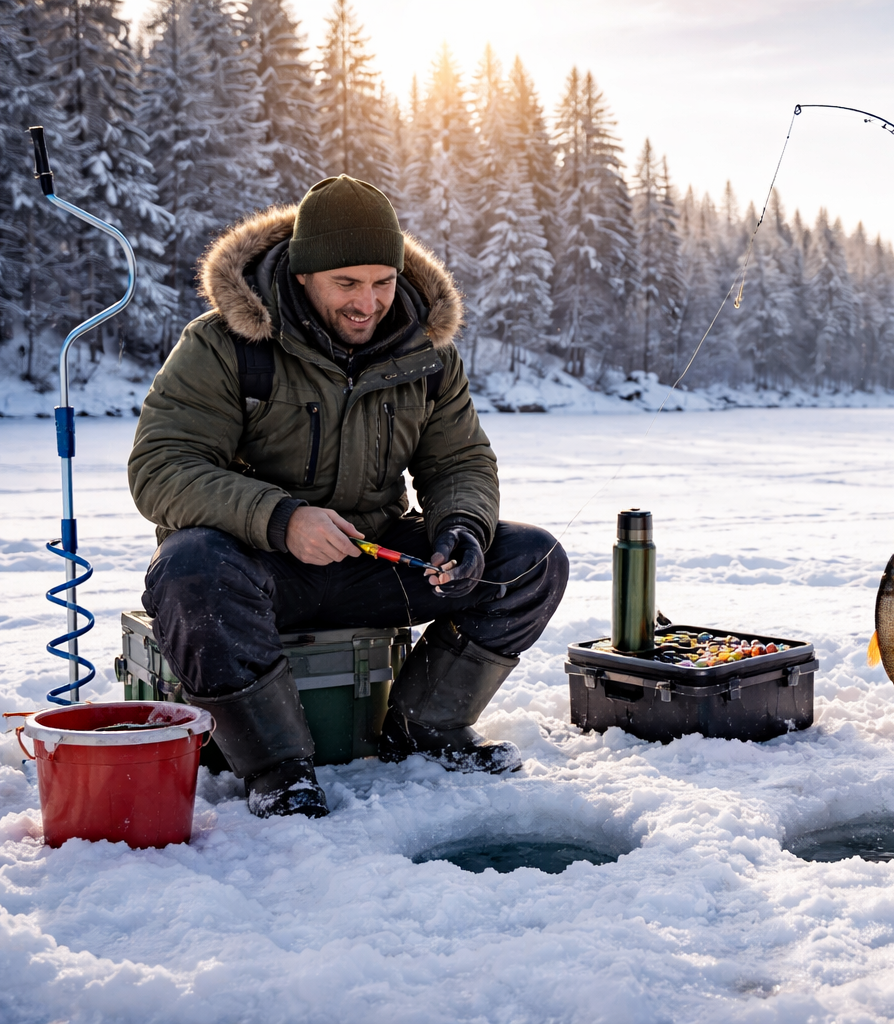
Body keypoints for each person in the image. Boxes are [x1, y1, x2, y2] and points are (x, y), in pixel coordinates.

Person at [129, 176, 568, 818]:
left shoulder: (428, 355)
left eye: (384, 282)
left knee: (530, 561)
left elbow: (459, 460)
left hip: (373, 559)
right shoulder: (222, 344)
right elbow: (162, 468)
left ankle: (423, 730)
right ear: (304, 275)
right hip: (259, 569)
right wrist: (281, 520)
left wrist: (462, 529)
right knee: (189, 567)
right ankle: (277, 770)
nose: (370, 303)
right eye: (348, 284)